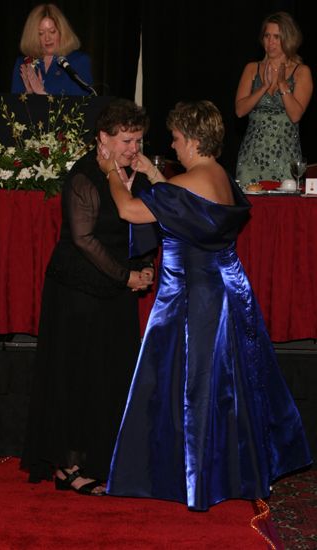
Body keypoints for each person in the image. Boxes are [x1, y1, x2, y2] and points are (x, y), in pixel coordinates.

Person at [97, 100, 312, 511]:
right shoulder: (219, 176)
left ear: (193, 140)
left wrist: (111, 170)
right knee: (227, 388)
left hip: (193, 299)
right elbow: (187, 206)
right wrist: (155, 174)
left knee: (190, 388)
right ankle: (233, 471)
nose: (174, 146)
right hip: (229, 290)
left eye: (177, 139)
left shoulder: (186, 184)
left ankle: (190, 477)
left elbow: (129, 210)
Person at [20, 99, 157, 495]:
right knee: (78, 377)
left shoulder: (135, 172)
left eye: (139, 140)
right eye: (128, 140)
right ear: (104, 138)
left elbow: (146, 224)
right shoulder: (84, 177)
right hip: (78, 291)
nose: (134, 148)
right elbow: (83, 240)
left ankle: (103, 459)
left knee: (110, 377)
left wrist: (145, 265)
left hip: (116, 289)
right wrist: (126, 276)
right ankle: (69, 466)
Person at [235, 11, 313, 186]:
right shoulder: (251, 69)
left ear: (288, 39)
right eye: (267, 36)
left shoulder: (301, 72)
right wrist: (263, 87)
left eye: (276, 37)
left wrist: (283, 85)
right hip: (251, 158)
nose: (270, 42)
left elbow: (295, 116)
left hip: (286, 158)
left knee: (283, 211)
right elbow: (240, 111)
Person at [11, 4, 93, 95]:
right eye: (41, 33)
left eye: (52, 31)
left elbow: (83, 105)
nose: (47, 38)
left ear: (62, 32)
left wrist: (43, 93)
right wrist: (28, 95)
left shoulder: (78, 61)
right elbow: (13, 106)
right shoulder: (24, 64)